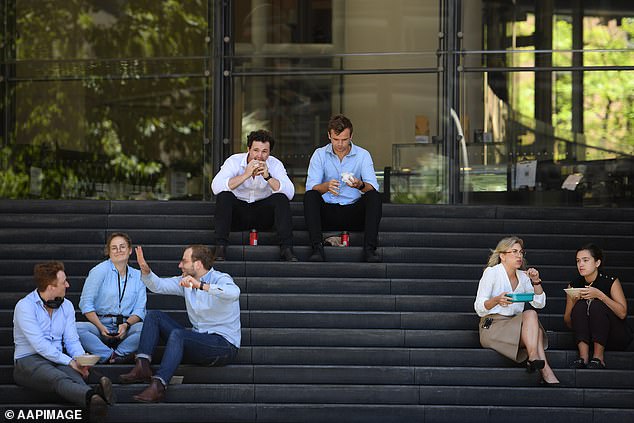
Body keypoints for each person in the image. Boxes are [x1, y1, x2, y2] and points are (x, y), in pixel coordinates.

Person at [119, 244, 241, 403]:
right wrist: (146, 271)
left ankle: (159, 386)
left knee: (179, 335)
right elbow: (159, 286)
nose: (179, 265)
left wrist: (200, 286)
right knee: (154, 316)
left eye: (184, 261)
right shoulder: (185, 281)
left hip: (224, 346)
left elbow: (234, 293)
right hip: (199, 341)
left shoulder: (221, 278)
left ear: (197, 264)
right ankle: (142, 366)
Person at [13, 261, 115, 422]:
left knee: (72, 374)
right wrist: (70, 362)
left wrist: (81, 360)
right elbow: (39, 345)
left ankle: (96, 397)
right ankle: (92, 398)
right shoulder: (25, 307)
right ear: (50, 286)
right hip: (28, 361)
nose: (67, 285)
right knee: (57, 377)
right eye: (63, 282)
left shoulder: (66, 306)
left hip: (57, 358)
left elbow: (71, 340)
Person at [474, 236, 559, 385]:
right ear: (502, 256)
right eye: (514, 251)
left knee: (531, 314)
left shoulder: (523, 276)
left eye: (521, 252)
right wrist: (496, 300)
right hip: (493, 326)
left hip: (515, 326)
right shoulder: (492, 272)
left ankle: (533, 357)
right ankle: (545, 370)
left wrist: (536, 281)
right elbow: (479, 307)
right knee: (536, 332)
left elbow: (539, 303)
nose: (519, 255)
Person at [303, 114, 382, 262]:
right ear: (329, 136)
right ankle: (317, 248)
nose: (340, 144)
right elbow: (311, 187)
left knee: (374, 197)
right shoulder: (319, 154)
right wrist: (325, 187)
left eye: (344, 140)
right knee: (310, 197)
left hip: (353, 212)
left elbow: (373, 188)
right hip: (327, 211)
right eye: (336, 139)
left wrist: (360, 185)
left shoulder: (363, 155)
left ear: (351, 136)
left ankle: (370, 250)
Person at [211, 129, 297, 262]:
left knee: (280, 198)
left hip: (262, 215)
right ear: (248, 149)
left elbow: (290, 193)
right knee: (224, 196)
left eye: (264, 152)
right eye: (256, 150)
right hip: (237, 214)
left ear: (269, 152)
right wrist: (245, 175)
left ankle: (286, 248)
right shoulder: (234, 161)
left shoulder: (275, 164)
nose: (259, 156)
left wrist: (268, 177)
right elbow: (216, 187)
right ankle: (220, 247)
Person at [76, 232, 147, 364]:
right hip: (101, 325)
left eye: (122, 247)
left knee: (146, 328)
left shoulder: (138, 276)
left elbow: (140, 309)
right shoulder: (99, 271)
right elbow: (85, 304)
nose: (118, 251)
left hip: (126, 327)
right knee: (76, 328)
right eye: (114, 248)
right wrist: (100, 326)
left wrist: (126, 325)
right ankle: (109, 355)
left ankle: (119, 354)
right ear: (108, 252)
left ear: (130, 250)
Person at [564, 244, 632, 369]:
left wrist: (600, 295)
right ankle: (583, 357)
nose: (581, 265)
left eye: (586, 260)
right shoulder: (574, 284)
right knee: (580, 306)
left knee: (596, 305)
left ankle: (598, 357)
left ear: (597, 263)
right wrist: (574, 302)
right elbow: (568, 322)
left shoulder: (610, 281)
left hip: (613, 335)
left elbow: (622, 313)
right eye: (578, 261)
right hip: (588, 336)